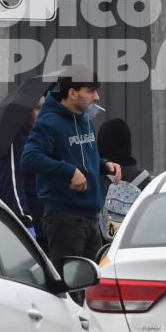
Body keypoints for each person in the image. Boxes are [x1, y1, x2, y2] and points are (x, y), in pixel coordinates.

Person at [21, 68, 121, 268]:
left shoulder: (84, 119)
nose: (96, 97)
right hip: (65, 218)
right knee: (70, 287)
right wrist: (69, 171)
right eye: (90, 91)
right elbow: (29, 158)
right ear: (72, 93)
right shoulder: (49, 122)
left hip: (92, 216)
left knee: (90, 286)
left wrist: (104, 165)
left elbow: (84, 158)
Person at [0, 106, 45, 240]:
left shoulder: (35, 137)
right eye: (36, 108)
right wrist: (25, 223)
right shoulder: (13, 141)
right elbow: (13, 184)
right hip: (32, 229)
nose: (41, 113)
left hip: (47, 225)